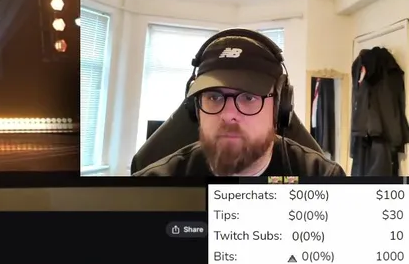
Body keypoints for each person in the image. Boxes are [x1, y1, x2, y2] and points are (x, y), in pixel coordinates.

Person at [135, 29, 344, 177]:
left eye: (249, 97)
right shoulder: (152, 186)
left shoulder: (324, 178)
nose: (228, 115)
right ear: (195, 109)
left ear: (279, 107)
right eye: (214, 97)